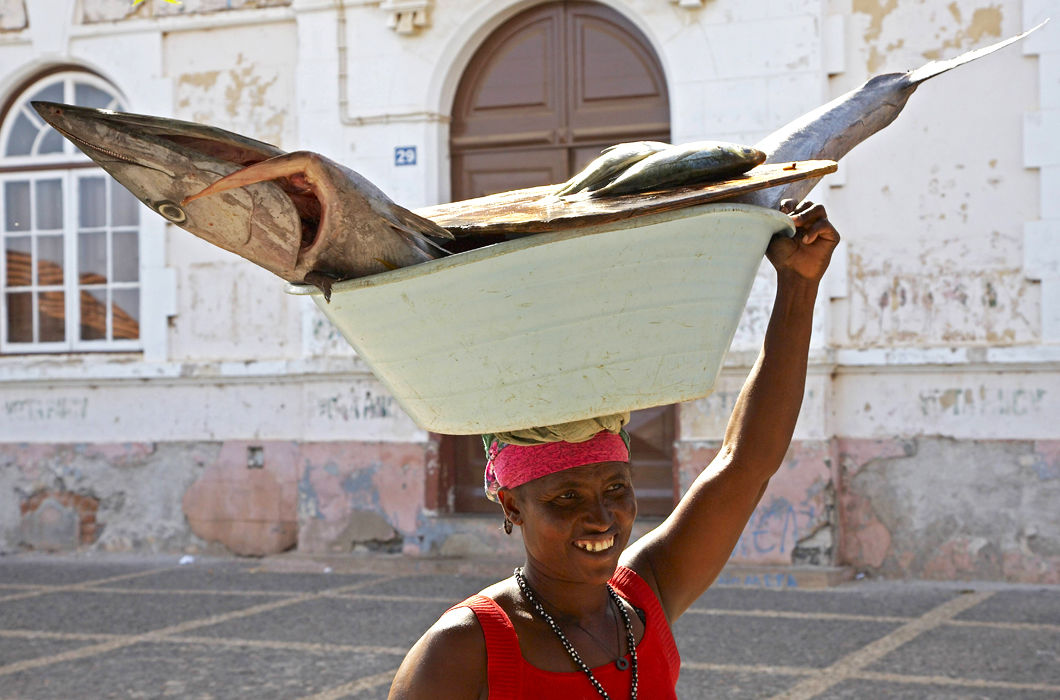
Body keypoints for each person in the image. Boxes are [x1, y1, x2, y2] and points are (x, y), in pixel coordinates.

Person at [388, 199, 840, 699]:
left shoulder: (646, 594)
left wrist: (799, 284)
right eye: (566, 498)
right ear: (512, 504)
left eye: (615, 488)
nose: (602, 517)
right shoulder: (463, 650)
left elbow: (746, 464)